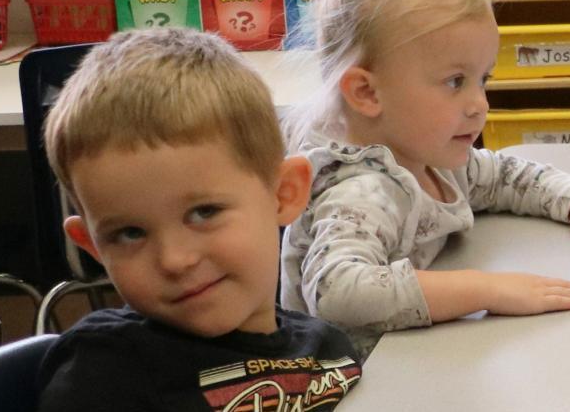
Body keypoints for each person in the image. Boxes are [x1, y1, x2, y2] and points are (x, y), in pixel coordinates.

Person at [281, 0, 570, 352]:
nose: (479, 104)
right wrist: (487, 289)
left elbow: (503, 176)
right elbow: (338, 292)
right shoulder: (361, 190)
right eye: (454, 82)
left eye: (483, 79)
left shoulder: (427, 156)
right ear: (367, 92)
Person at [37, 28, 364, 410]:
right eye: (129, 233)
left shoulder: (331, 357)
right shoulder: (103, 377)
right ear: (93, 246)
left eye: (204, 212)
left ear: (284, 193)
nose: (175, 260)